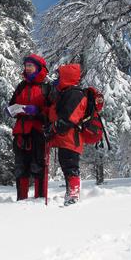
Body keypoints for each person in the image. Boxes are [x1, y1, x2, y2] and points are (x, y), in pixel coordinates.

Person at [8, 54, 51, 200]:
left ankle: (40, 197)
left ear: (39, 67)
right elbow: (12, 104)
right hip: (21, 131)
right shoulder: (21, 86)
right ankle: (21, 198)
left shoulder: (46, 88)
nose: (27, 68)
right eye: (26, 65)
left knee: (38, 164)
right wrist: (12, 110)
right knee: (21, 166)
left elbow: (51, 112)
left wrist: (37, 111)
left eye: (30, 65)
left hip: (38, 131)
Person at [48, 64, 87, 206]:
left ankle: (73, 195)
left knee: (70, 166)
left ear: (66, 77)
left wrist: (54, 128)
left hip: (71, 137)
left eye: (60, 76)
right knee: (66, 164)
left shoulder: (75, 93)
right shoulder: (67, 92)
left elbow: (69, 117)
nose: (57, 79)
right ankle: (70, 193)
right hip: (66, 138)